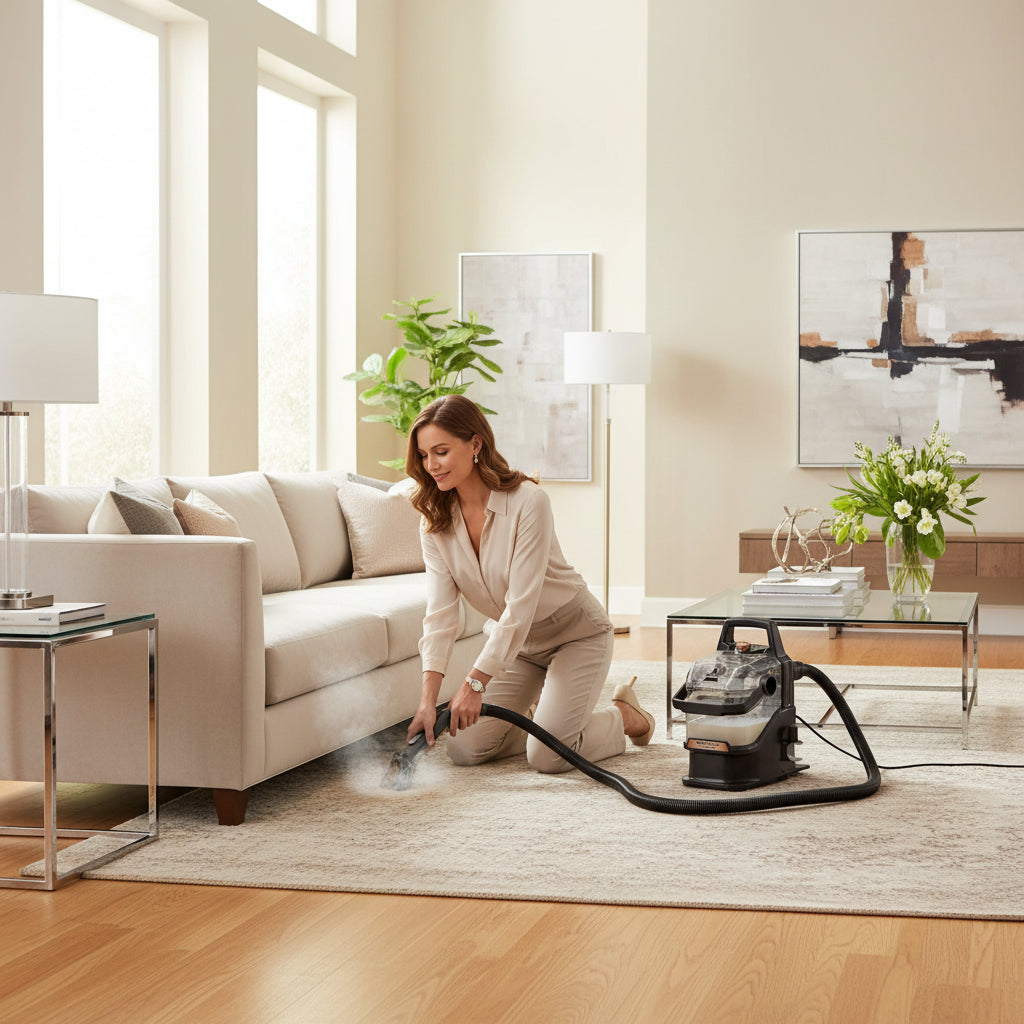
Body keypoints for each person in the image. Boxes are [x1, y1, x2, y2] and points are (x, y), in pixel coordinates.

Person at [405, 394, 654, 773]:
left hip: (576, 634)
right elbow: (440, 617)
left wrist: (473, 684)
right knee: (465, 748)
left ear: (475, 444)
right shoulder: (435, 521)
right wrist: (427, 702)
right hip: (518, 650)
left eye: (441, 451)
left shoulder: (527, 502)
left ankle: (624, 714)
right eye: (424, 455)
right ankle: (548, 723)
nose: (431, 465)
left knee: (548, 757)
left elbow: (520, 607)